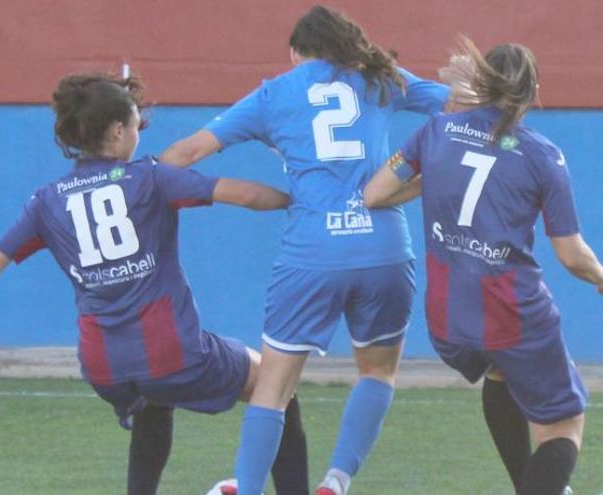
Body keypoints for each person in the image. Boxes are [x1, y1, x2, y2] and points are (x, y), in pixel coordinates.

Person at [0, 73, 309, 495]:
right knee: (277, 386)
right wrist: (301, 200)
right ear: (118, 130)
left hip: (105, 367)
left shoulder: (47, 200)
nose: (139, 135)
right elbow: (245, 196)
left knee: (154, 401)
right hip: (171, 352)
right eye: (136, 125)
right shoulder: (150, 177)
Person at [159, 5, 448, 494]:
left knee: (272, 387)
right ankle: (336, 482)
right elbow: (457, 109)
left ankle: (249, 490)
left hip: (312, 251)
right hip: (383, 248)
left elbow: (184, 155)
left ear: (296, 52)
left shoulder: (274, 93)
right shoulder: (381, 78)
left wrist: (143, 184)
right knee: (377, 371)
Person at [364, 38, 603, 495]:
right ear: (533, 89)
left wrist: (438, 180)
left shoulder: (436, 131)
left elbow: (375, 193)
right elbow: (570, 254)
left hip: (448, 316)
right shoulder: (543, 155)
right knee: (563, 424)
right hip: (511, 311)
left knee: (501, 372)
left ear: (482, 81)